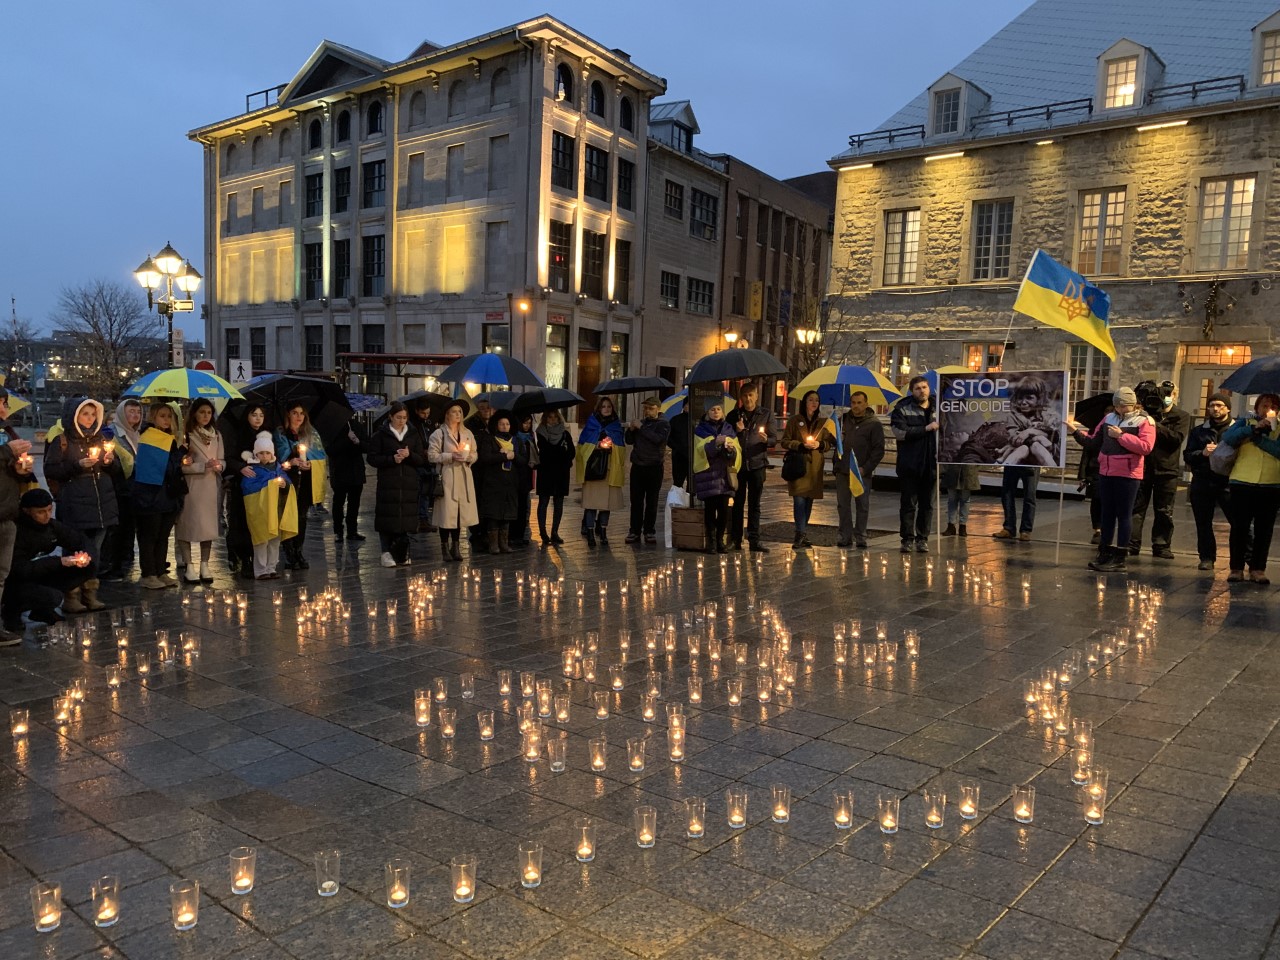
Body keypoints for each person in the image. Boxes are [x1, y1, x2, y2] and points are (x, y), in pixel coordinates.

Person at [42, 397, 120, 610]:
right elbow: (52, 470)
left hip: (101, 506)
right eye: (85, 414)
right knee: (75, 550)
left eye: (93, 414)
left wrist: (110, 462)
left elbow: (117, 472)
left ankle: (90, 592)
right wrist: (77, 465)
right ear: (74, 416)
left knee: (94, 551)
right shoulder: (62, 440)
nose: (89, 418)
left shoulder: (100, 439)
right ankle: (71, 595)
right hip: (75, 505)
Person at [1067, 387, 1155, 573]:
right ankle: (1104, 552)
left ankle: (1120, 556)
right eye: (1117, 406)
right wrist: (1074, 431)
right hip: (1106, 472)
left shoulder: (1145, 421)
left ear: (1131, 405)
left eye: (1122, 406)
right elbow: (1093, 442)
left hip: (1128, 474)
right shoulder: (1108, 419)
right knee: (1106, 513)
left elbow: (1146, 448)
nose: (1119, 410)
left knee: (1124, 515)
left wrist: (1121, 436)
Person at [3, 489, 94, 630]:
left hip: (39, 572)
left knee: (87, 567)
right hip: (15, 582)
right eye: (40, 512)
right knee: (52, 596)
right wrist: (58, 562)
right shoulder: (17, 532)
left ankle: (42, 611)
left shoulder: (51, 526)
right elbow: (18, 569)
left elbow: (78, 539)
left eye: (49, 510)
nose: (47, 515)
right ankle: (11, 613)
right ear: (27, 511)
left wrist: (84, 555)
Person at [1221, 393, 1280, 584]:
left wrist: (1259, 439)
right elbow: (1228, 438)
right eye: (1264, 405)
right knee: (1240, 527)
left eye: (1273, 406)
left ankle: (1258, 568)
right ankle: (1236, 568)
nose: (1268, 409)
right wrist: (1253, 429)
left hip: (1270, 483)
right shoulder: (1245, 423)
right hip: (1242, 481)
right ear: (1257, 408)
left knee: (1264, 529)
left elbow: (1278, 450)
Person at [1129, 380, 1190, 559]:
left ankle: (1161, 545)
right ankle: (1131, 543)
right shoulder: (1143, 415)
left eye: (1169, 394)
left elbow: (1175, 438)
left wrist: (1154, 423)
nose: (1165, 398)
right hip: (1143, 467)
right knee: (1137, 508)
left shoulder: (1181, 416)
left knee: (1164, 510)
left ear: (1175, 396)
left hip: (1167, 469)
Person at [130, 403, 187, 590]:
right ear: (153, 417)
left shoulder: (167, 438)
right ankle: (148, 574)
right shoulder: (151, 438)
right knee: (149, 536)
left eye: (169, 416)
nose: (167, 420)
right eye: (162, 416)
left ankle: (160, 571)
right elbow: (166, 468)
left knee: (163, 537)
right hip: (151, 496)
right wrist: (180, 453)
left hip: (166, 496)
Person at [367, 401, 425, 567]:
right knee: (387, 518)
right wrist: (391, 459)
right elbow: (372, 458)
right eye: (398, 417)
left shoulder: (413, 435)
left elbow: (421, 459)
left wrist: (410, 455)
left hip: (408, 484)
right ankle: (386, 551)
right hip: (388, 483)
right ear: (391, 417)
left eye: (404, 418)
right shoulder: (380, 435)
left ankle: (401, 551)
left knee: (404, 519)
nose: (401, 421)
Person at [174, 399, 225, 584]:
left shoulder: (216, 435)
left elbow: (222, 458)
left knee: (208, 528)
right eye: (202, 412)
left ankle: (205, 563)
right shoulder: (186, 435)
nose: (205, 416)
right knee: (188, 525)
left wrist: (219, 465)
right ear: (194, 413)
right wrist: (202, 465)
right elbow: (181, 465)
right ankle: (189, 565)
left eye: (209, 413)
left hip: (211, 486)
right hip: (192, 486)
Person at [1184, 392, 1235, 571]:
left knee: (1238, 522)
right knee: (1203, 522)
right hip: (1203, 481)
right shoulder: (1199, 431)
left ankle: (1245, 559)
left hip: (1228, 482)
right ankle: (1206, 557)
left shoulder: (1235, 430)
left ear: (1228, 408)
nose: (1215, 409)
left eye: (1219, 405)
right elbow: (1188, 456)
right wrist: (1202, 453)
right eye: (1212, 405)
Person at [0, 389, 35, 644]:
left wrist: (22, 469)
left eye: (5, 404)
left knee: (1, 575)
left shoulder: (6, 433)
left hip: (6, 513)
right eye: (1, 404)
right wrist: (7, 453)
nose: (4, 410)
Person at [891, 375, 939, 553]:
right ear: (912, 391)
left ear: (929, 389)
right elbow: (899, 432)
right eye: (918, 388)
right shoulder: (902, 408)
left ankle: (922, 538)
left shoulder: (939, 407)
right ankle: (907, 539)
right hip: (910, 464)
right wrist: (925, 429)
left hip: (931, 464)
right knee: (908, 504)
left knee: (927, 504)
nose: (922, 391)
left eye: (924, 387)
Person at [275, 405, 325, 570]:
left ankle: (299, 550)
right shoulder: (281, 434)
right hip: (288, 480)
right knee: (287, 514)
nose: (298, 417)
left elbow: (319, 456)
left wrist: (310, 464)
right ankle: (288, 551)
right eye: (294, 413)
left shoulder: (311, 434)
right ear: (288, 414)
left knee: (302, 516)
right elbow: (278, 457)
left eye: (302, 413)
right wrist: (292, 461)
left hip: (305, 481)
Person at [223, 404, 271, 579]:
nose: (258, 418)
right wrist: (241, 467)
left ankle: (258, 560)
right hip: (242, 485)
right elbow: (230, 457)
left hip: (262, 486)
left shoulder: (266, 435)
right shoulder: (238, 434)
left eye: (261, 415)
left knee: (258, 522)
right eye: (254, 414)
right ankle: (244, 559)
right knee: (241, 522)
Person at [428, 400, 478, 561]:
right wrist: (450, 456)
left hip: (463, 476)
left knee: (459, 514)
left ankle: (455, 546)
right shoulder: (439, 434)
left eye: (460, 412)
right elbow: (432, 455)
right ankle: (444, 546)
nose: (458, 414)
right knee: (446, 513)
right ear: (447, 414)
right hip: (447, 476)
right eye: (454, 411)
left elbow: (475, 453)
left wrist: (469, 457)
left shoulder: (467, 433)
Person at [241, 431, 297, 579]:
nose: (264, 456)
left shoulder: (278, 469)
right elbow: (248, 487)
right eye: (261, 453)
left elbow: (287, 484)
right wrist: (270, 485)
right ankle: (260, 570)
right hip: (261, 512)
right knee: (261, 540)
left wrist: (284, 484)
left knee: (274, 540)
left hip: (276, 509)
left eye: (267, 453)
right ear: (256, 455)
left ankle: (271, 567)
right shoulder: (252, 470)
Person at [100, 398, 143, 581]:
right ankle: (113, 565)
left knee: (128, 529)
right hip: (117, 487)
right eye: (130, 411)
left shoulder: (139, 433)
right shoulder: (110, 434)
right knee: (117, 530)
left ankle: (124, 563)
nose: (135, 415)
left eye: (138, 412)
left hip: (135, 488)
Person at [781, 390, 830, 548]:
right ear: (804, 402)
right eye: (810, 400)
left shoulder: (822, 423)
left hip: (814, 468)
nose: (814, 403)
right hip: (799, 465)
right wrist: (800, 445)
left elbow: (829, 444)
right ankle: (799, 532)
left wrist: (820, 444)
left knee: (809, 501)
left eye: (816, 400)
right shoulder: (795, 421)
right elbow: (785, 441)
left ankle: (803, 532)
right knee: (799, 499)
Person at [836, 390, 884, 548]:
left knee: (862, 505)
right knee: (843, 505)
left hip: (861, 470)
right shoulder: (844, 420)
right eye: (853, 403)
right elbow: (834, 439)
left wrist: (866, 468)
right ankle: (845, 535)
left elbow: (878, 450)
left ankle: (861, 536)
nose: (855, 406)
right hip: (843, 469)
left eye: (859, 403)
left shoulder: (874, 424)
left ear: (866, 404)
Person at [730, 383, 775, 552]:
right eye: (745, 396)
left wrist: (766, 440)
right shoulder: (734, 415)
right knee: (738, 503)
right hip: (739, 465)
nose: (748, 399)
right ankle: (736, 539)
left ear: (756, 396)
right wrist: (738, 431)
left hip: (757, 464)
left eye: (751, 395)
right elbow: (728, 438)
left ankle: (754, 539)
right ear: (741, 398)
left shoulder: (765, 414)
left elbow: (773, 438)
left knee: (755, 504)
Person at [576, 396, 626, 546]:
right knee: (591, 503)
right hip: (593, 470)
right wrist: (597, 444)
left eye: (609, 407)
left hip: (610, 469)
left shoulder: (616, 425)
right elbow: (582, 446)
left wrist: (613, 446)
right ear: (598, 408)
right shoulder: (592, 424)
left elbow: (621, 446)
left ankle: (603, 531)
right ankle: (590, 531)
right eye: (603, 406)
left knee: (606, 504)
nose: (606, 409)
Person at [693, 403, 741, 553]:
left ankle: (720, 540)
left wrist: (730, 450)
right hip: (709, 475)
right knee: (710, 510)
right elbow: (700, 449)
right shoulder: (701, 429)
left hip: (724, 476)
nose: (716, 412)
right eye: (712, 409)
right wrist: (715, 443)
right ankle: (711, 541)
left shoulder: (729, 428)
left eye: (718, 409)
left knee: (724, 511)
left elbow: (737, 450)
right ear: (708, 412)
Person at [477, 410, 523, 554]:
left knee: (507, 514)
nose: (504, 426)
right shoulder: (489, 439)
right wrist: (502, 456)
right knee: (493, 514)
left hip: (510, 483)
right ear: (496, 425)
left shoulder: (516, 441)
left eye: (507, 424)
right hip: (493, 483)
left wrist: (513, 456)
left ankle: (504, 543)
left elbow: (523, 460)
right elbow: (485, 458)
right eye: (502, 424)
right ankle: (493, 545)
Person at [625, 397, 670, 545]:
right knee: (636, 500)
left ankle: (649, 530)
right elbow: (629, 441)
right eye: (645, 408)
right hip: (638, 466)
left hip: (654, 466)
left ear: (657, 408)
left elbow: (657, 439)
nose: (647, 411)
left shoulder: (663, 424)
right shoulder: (642, 423)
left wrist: (641, 428)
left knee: (652, 501)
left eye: (650, 408)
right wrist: (631, 430)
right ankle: (634, 530)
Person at [535, 409, 574, 544]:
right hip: (546, 472)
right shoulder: (541, 433)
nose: (552, 420)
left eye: (555, 417)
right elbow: (546, 452)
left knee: (559, 502)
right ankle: (543, 532)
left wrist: (563, 458)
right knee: (543, 502)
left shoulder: (565, 434)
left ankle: (555, 532)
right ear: (545, 419)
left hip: (561, 473)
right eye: (549, 417)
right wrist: (560, 454)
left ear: (559, 418)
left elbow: (571, 452)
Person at [328, 413, 368, 543]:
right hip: (340, 471)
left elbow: (367, 445)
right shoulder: (333, 428)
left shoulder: (357, 426)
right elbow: (330, 450)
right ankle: (338, 531)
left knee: (354, 503)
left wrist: (358, 441)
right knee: (338, 502)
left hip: (356, 471)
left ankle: (352, 531)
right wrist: (347, 440)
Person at [464, 398, 492, 549]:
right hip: (477, 469)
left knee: (488, 502)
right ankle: (476, 535)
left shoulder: (495, 424)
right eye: (482, 408)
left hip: (491, 471)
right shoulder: (471, 425)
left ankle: (488, 534)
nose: (485, 410)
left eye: (488, 408)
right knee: (476, 502)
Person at [510, 412, 538, 546]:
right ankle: (513, 533)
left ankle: (522, 533)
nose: (527, 426)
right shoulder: (514, 438)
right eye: (524, 423)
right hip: (515, 474)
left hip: (526, 475)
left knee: (524, 506)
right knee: (515, 504)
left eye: (529, 423)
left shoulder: (530, 437)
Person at [411, 403, 438, 533]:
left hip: (429, 463)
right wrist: (423, 451)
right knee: (418, 492)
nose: (426, 415)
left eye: (428, 413)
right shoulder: (412, 425)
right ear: (417, 411)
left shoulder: (429, 424)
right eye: (423, 413)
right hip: (418, 462)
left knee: (426, 493)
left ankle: (424, 520)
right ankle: (415, 520)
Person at [994, 467, 1037, 542]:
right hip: (1012, 463)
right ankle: (1009, 528)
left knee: (1029, 495)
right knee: (1007, 495)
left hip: (1031, 463)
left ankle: (1026, 530)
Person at [941, 464, 980, 537]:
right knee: (953, 498)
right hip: (953, 468)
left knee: (964, 499)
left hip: (967, 468)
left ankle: (962, 525)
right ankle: (951, 524)